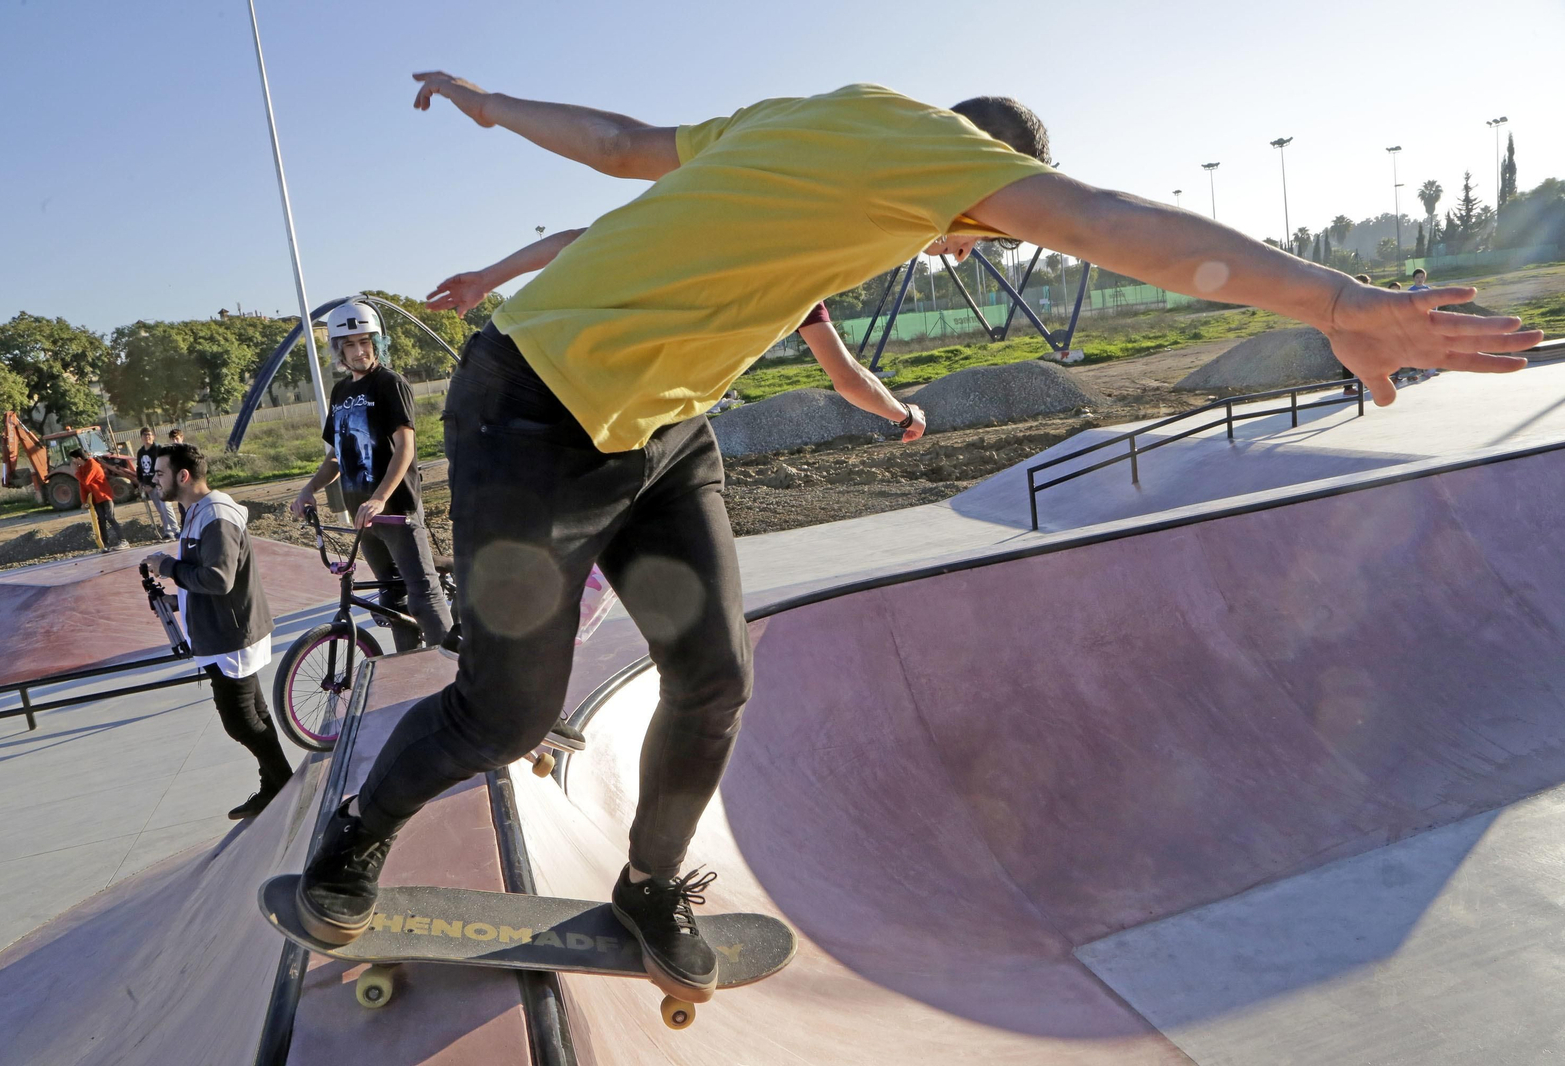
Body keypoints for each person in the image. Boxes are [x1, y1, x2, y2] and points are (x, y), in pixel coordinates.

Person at [291, 75, 1539, 1007]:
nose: (962, 248)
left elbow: (626, 151)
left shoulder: (803, 130)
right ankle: (353, 838)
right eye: (981, 229)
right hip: (530, 408)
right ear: (979, 169)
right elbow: (1107, 218)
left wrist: (495, 109)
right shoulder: (928, 155)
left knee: (716, 673)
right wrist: (1332, 301)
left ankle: (649, 881)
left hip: (661, 431)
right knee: (508, 711)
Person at [426, 230, 930, 440]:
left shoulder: (788, 284)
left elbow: (579, 240)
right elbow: (847, 378)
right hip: (607, 403)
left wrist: (490, 278)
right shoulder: (797, 288)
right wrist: (903, 413)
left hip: (643, 412)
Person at [290, 300, 453, 654]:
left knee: (423, 597)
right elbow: (335, 457)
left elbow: (405, 448)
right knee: (393, 603)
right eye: (349, 344)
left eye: (365, 342)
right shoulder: (340, 392)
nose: (359, 350)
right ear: (338, 350)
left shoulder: (389, 383)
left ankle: (460, 673)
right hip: (363, 518)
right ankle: (411, 669)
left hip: (395, 510)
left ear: (376, 343)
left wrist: (379, 497)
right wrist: (307, 490)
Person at [144, 443, 294, 819]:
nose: (154, 479)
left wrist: (168, 567)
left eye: (160, 473)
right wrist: (178, 598)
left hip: (231, 636)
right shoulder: (197, 512)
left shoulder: (216, 516)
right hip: (222, 632)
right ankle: (276, 785)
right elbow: (209, 576)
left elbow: (219, 579)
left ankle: (284, 787)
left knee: (240, 721)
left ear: (183, 476)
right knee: (254, 714)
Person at [71, 447, 128, 552]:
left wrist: (76, 473)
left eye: (73, 460)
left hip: (104, 495)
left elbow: (86, 481)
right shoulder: (81, 469)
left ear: (78, 458)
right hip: (96, 498)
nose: (73, 462)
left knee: (110, 517)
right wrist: (84, 502)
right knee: (101, 520)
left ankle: (123, 541)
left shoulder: (92, 465)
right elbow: (82, 487)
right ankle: (105, 545)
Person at [135, 427, 180, 539]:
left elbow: (162, 468)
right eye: (145, 435)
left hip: (160, 484)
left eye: (149, 435)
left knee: (166, 506)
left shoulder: (158, 449)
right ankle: (167, 531)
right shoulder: (140, 452)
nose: (147, 437)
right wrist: (140, 482)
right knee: (160, 509)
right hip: (147, 484)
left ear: (153, 436)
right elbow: (139, 468)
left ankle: (176, 530)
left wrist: (153, 484)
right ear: (141, 437)